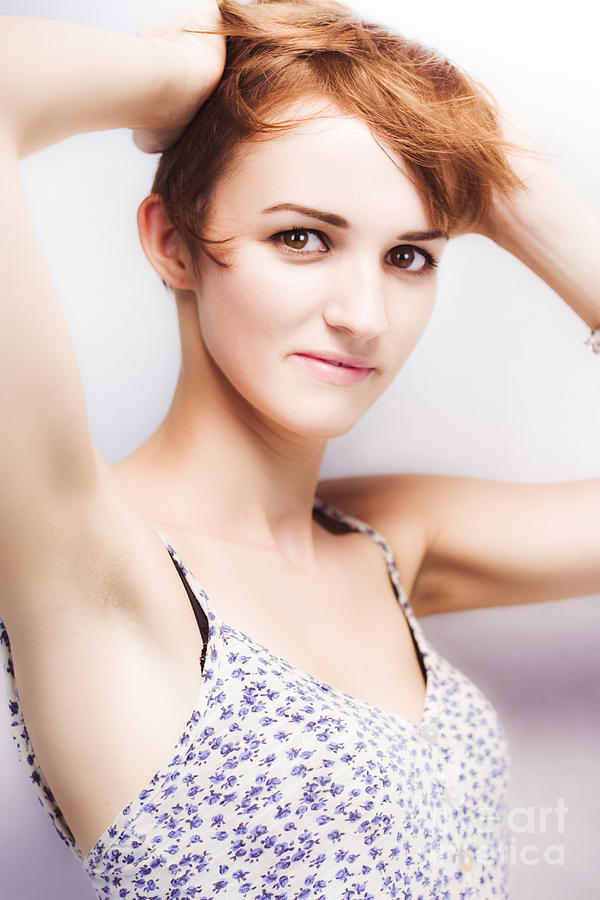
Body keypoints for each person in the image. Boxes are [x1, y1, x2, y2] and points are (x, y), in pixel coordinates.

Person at [0, 0, 598, 897]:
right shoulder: (89, 559)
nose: (364, 316)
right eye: (301, 238)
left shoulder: (388, 542)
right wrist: (179, 78)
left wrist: (517, 190)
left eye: (409, 256)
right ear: (172, 241)